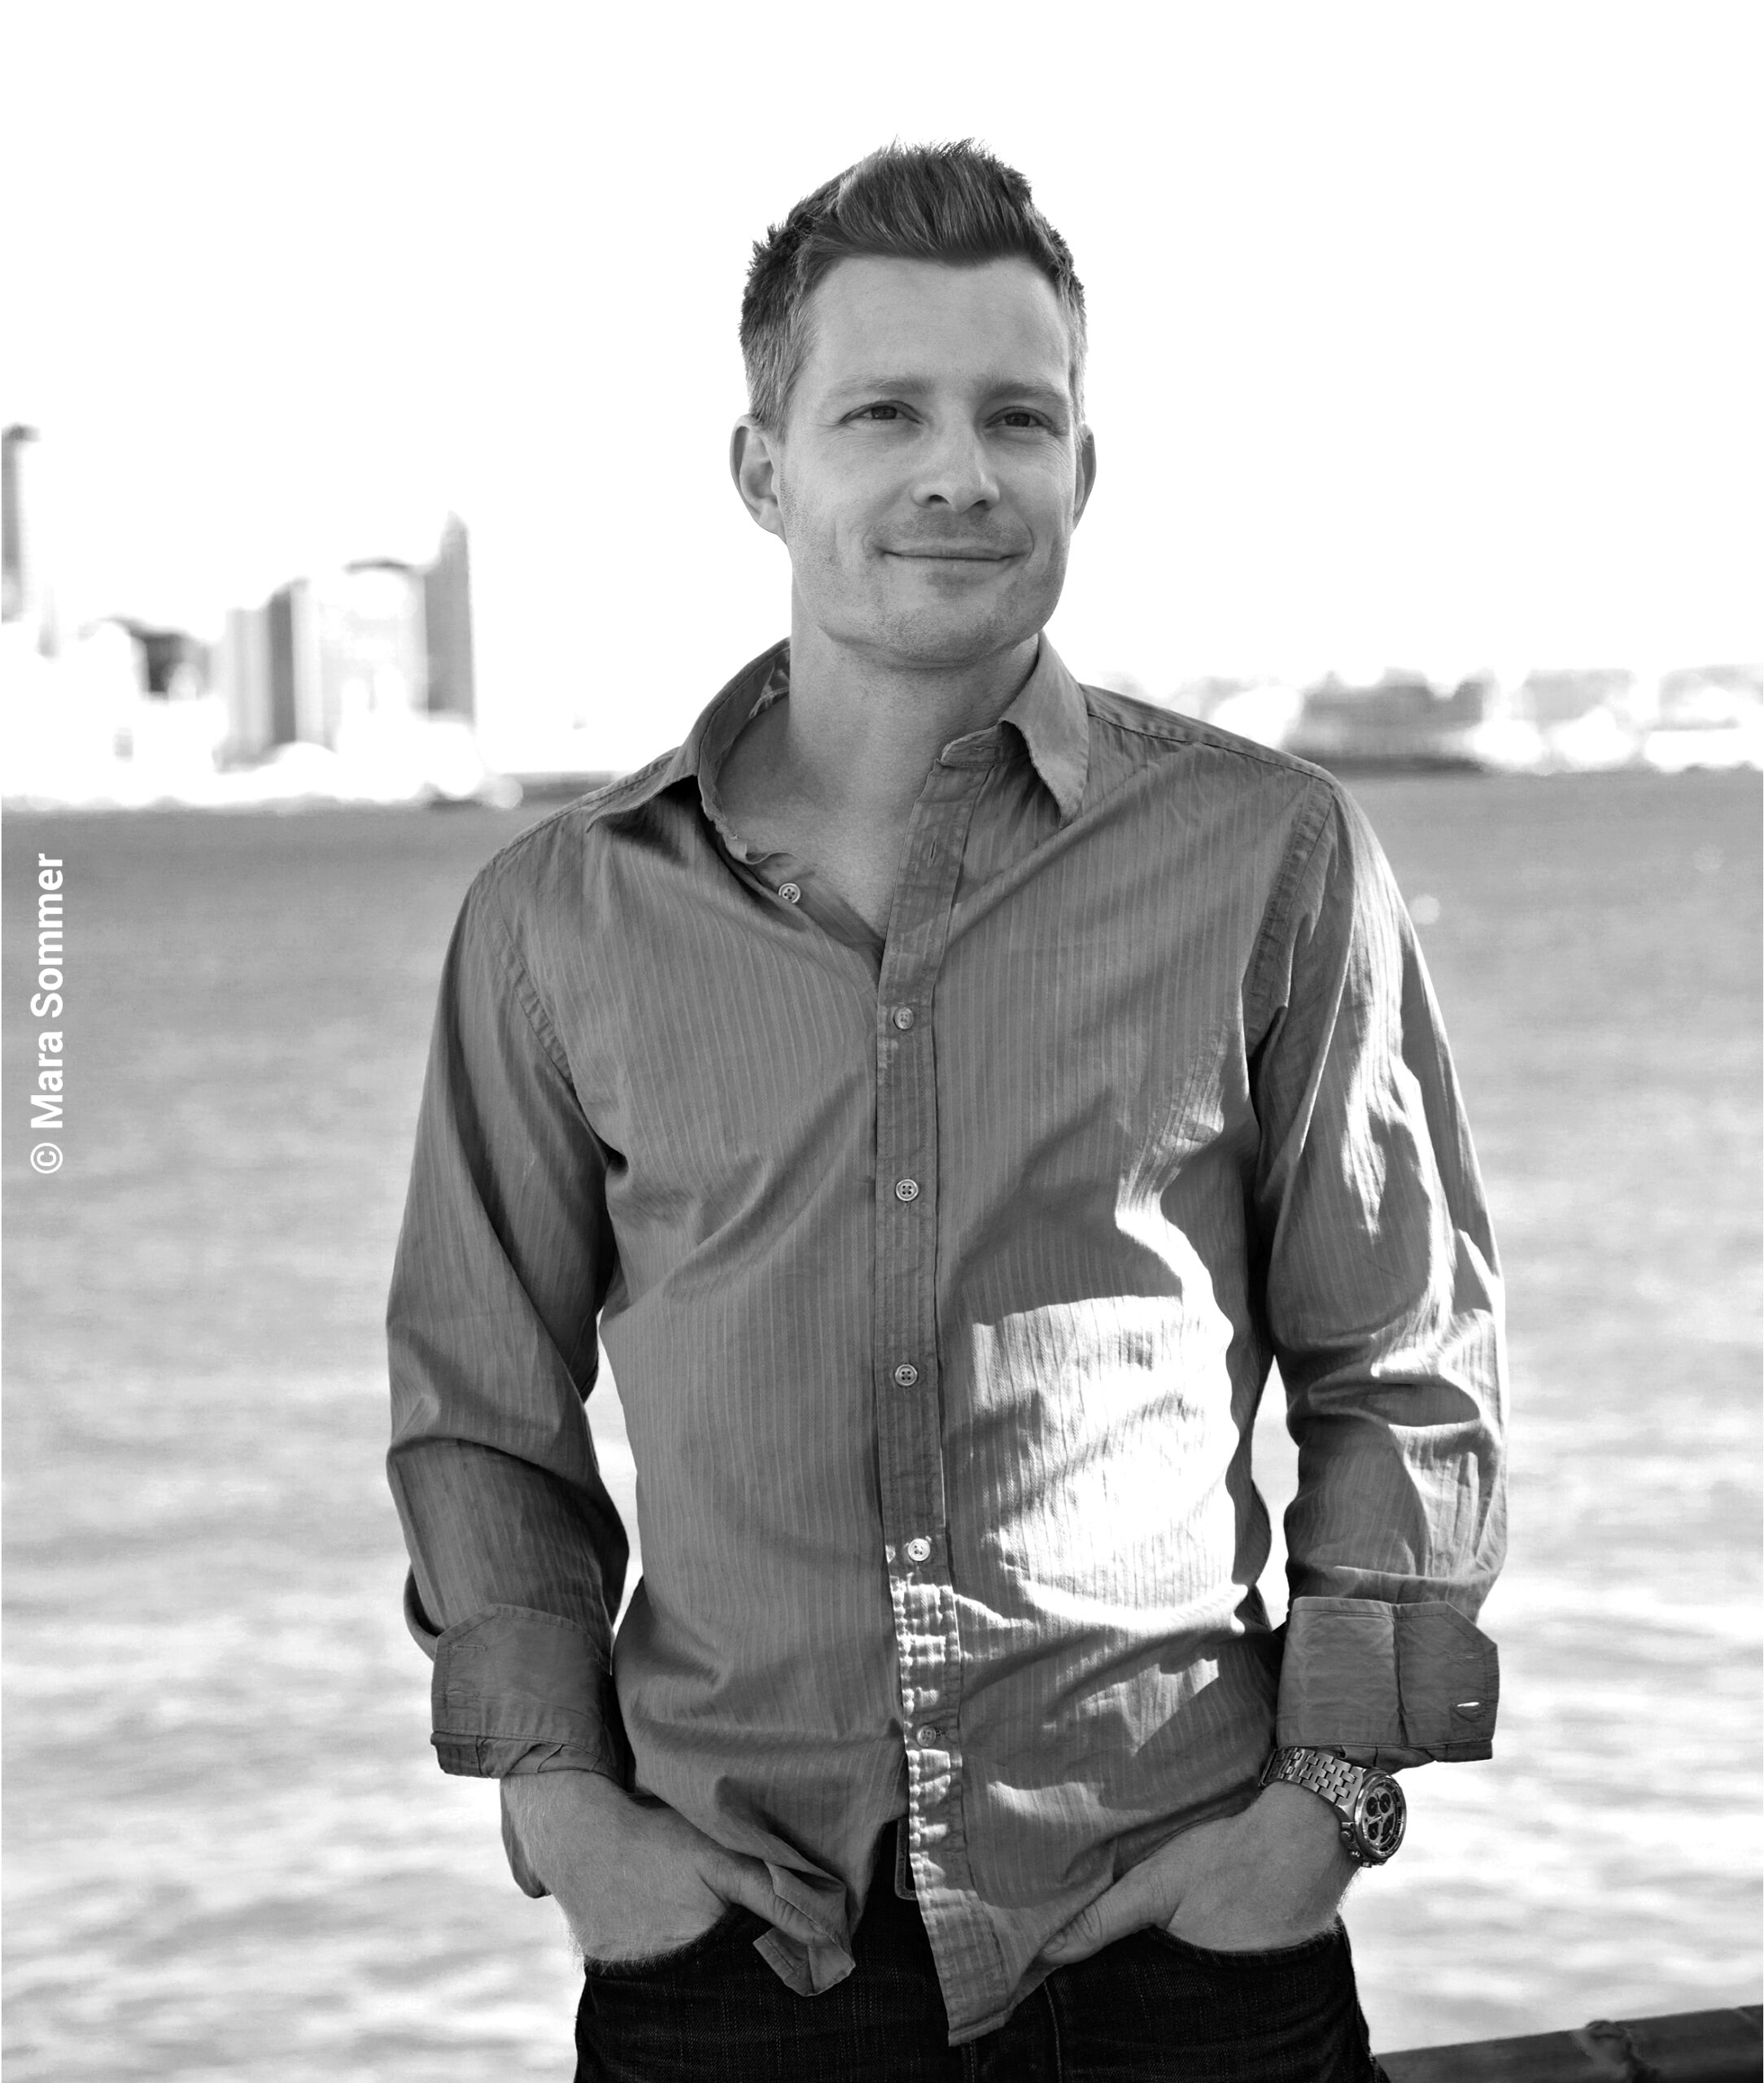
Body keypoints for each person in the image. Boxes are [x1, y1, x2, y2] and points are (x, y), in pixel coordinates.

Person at [387, 141, 1506, 2082]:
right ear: (762, 469)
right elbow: (481, 1406)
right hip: (734, 1960)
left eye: (1017, 417)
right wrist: (566, 1815)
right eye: (882, 412)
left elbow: (1401, 1360)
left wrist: (1321, 1806)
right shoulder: (560, 917)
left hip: (1180, 1940)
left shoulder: (1274, 857)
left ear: (1085, 464)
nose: (959, 472)